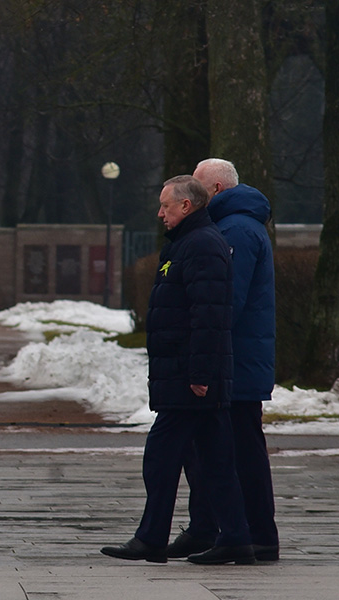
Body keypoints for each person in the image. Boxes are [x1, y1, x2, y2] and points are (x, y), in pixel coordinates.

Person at [101, 175, 254, 565]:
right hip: (191, 374)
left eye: (166, 206)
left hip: (190, 379)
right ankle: (236, 537)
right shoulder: (189, 243)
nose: (160, 213)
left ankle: (151, 538)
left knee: (161, 456)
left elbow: (209, 316)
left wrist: (200, 373)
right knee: (216, 463)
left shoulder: (201, 245)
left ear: (186, 206)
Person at [165, 159, 279, 562]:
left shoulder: (235, 231)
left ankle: (252, 534)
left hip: (235, 364)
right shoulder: (234, 227)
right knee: (215, 448)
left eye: (195, 189)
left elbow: (225, 303)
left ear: (214, 189)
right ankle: (214, 529)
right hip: (236, 360)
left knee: (237, 450)